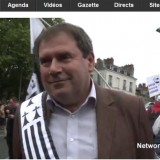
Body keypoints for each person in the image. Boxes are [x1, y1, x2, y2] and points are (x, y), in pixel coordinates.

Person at [13, 23, 154, 159]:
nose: (53, 69)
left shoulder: (132, 108)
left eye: (64, 57)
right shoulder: (26, 114)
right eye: (45, 61)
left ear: (90, 61)